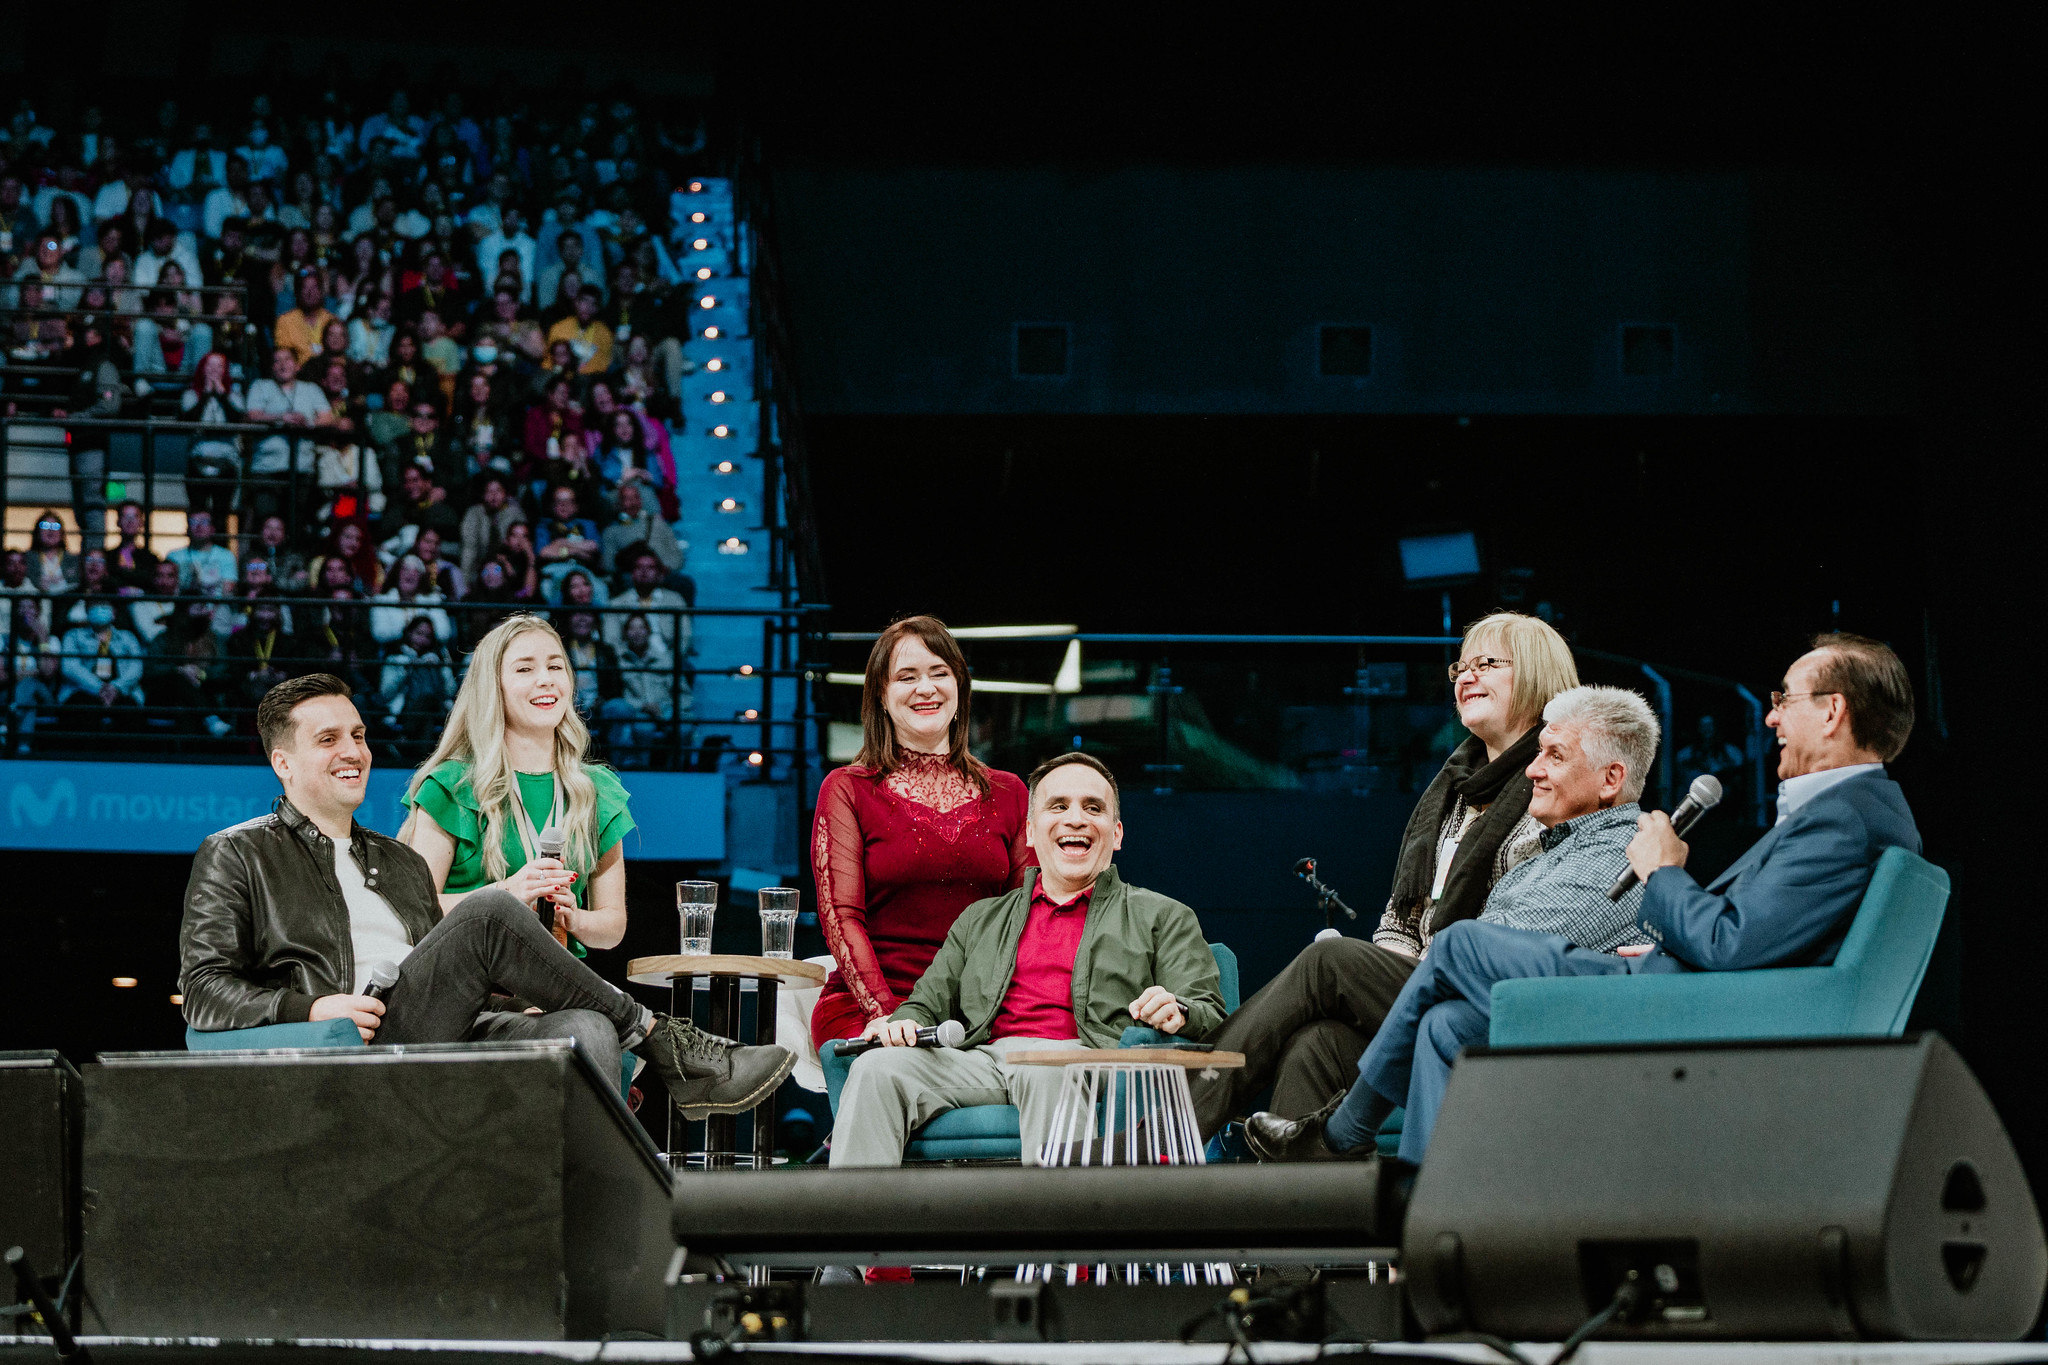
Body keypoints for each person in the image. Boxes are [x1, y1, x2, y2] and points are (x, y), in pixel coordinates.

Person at [1306, 633, 1922, 1166]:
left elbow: (1728, 943)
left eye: (1783, 700)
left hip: (1688, 1011)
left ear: (1833, 711)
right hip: (1677, 986)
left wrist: (1662, 874)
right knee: (1448, 1026)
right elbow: (1753, 939)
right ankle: (1431, 1222)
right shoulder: (1857, 814)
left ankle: (1342, 1131)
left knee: (1460, 945)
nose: (1771, 719)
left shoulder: (1845, 821)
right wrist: (1663, 935)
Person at [179, 673, 793, 1117]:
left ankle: (587, 1224)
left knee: (585, 1029)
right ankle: (666, 1042)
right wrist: (309, 1010)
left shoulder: (398, 861)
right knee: (489, 909)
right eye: (329, 739)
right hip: (353, 1039)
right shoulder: (237, 853)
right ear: (282, 763)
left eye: (359, 735)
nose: (353, 752)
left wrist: (525, 996)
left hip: (433, 1025)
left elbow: (447, 966)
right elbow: (204, 992)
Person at [1184, 612, 1579, 1138]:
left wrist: (1366, 974)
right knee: (1316, 1044)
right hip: (1424, 988)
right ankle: (1303, 1210)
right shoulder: (1450, 796)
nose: (1466, 676)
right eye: (1461, 665)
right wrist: (1375, 976)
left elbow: (1528, 929)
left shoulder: (1561, 788)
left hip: (1487, 998)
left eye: (1487, 664)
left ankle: (1181, 1118)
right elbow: (1401, 920)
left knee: (1329, 960)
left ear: (1537, 675)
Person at [1238, 685, 1663, 1158]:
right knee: (1333, 1040)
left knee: (1335, 961)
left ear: (1611, 779)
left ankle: (1292, 1117)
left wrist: (1456, 945)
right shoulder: (1552, 853)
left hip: (1570, 1044)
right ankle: (1313, 1212)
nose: (1533, 769)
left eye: (1555, 756)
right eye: (1538, 752)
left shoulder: (1622, 854)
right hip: (1494, 1017)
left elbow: (1495, 952)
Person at [830, 752, 1225, 1167]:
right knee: (877, 1069)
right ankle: (858, 1229)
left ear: (1117, 833)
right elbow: (925, 1004)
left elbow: (1211, 1014)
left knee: (1047, 1070)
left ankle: (1053, 1228)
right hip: (983, 1059)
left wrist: (1177, 1009)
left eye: (1094, 808)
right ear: (1032, 833)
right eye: (1059, 806)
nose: (1076, 819)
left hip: (1085, 1060)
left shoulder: (1162, 916)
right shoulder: (981, 918)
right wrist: (903, 1022)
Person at [810, 616, 1033, 1050]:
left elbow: (1024, 919)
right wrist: (885, 1014)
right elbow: (841, 917)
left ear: (960, 686)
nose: (925, 688)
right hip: (873, 1004)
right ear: (882, 695)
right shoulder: (847, 788)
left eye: (939, 673)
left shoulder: (1010, 792)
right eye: (906, 677)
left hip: (976, 1008)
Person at [598, 478, 683, 580]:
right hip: (631, 579)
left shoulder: (658, 524)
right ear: (619, 503)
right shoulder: (611, 532)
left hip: (662, 575)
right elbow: (609, 565)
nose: (633, 503)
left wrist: (664, 568)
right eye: (627, 499)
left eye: (636, 498)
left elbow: (677, 555)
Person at [369, 554, 453, 645]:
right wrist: (414, 632)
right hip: (393, 653)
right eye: (405, 569)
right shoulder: (382, 600)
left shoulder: (433, 600)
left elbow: (444, 633)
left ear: (421, 577)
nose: (410, 573)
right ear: (397, 574)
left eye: (416, 570)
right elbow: (380, 633)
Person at [167, 510, 239, 595]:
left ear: (213, 529)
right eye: (193, 522)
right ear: (187, 529)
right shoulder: (174, 556)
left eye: (204, 522)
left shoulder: (226, 556)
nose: (199, 526)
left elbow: (228, 591)